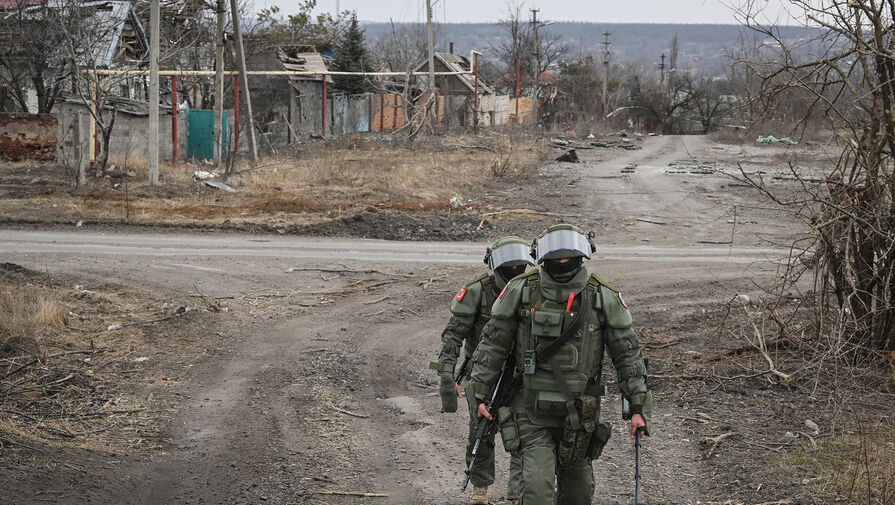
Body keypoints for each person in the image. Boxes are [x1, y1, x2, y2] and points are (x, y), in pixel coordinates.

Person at [466, 224, 653, 505]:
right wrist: (480, 394)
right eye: (557, 256)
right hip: (530, 411)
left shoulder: (602, 297)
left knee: (578, 494)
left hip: (579, 414)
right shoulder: (520, 291)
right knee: (537, 489)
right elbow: (492, 346)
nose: (562, 261)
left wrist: (638, 406)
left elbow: (627, 356)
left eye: (569, 255)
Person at [430, 235, 534, 505]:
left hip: (522, 376)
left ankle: (518, 494)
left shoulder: (532, 289)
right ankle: (480, 489)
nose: (515, 268)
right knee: (481, 431)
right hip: (483, 374)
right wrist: (447, 376)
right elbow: (452, 337)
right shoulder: (477, 291)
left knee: (523, 434)